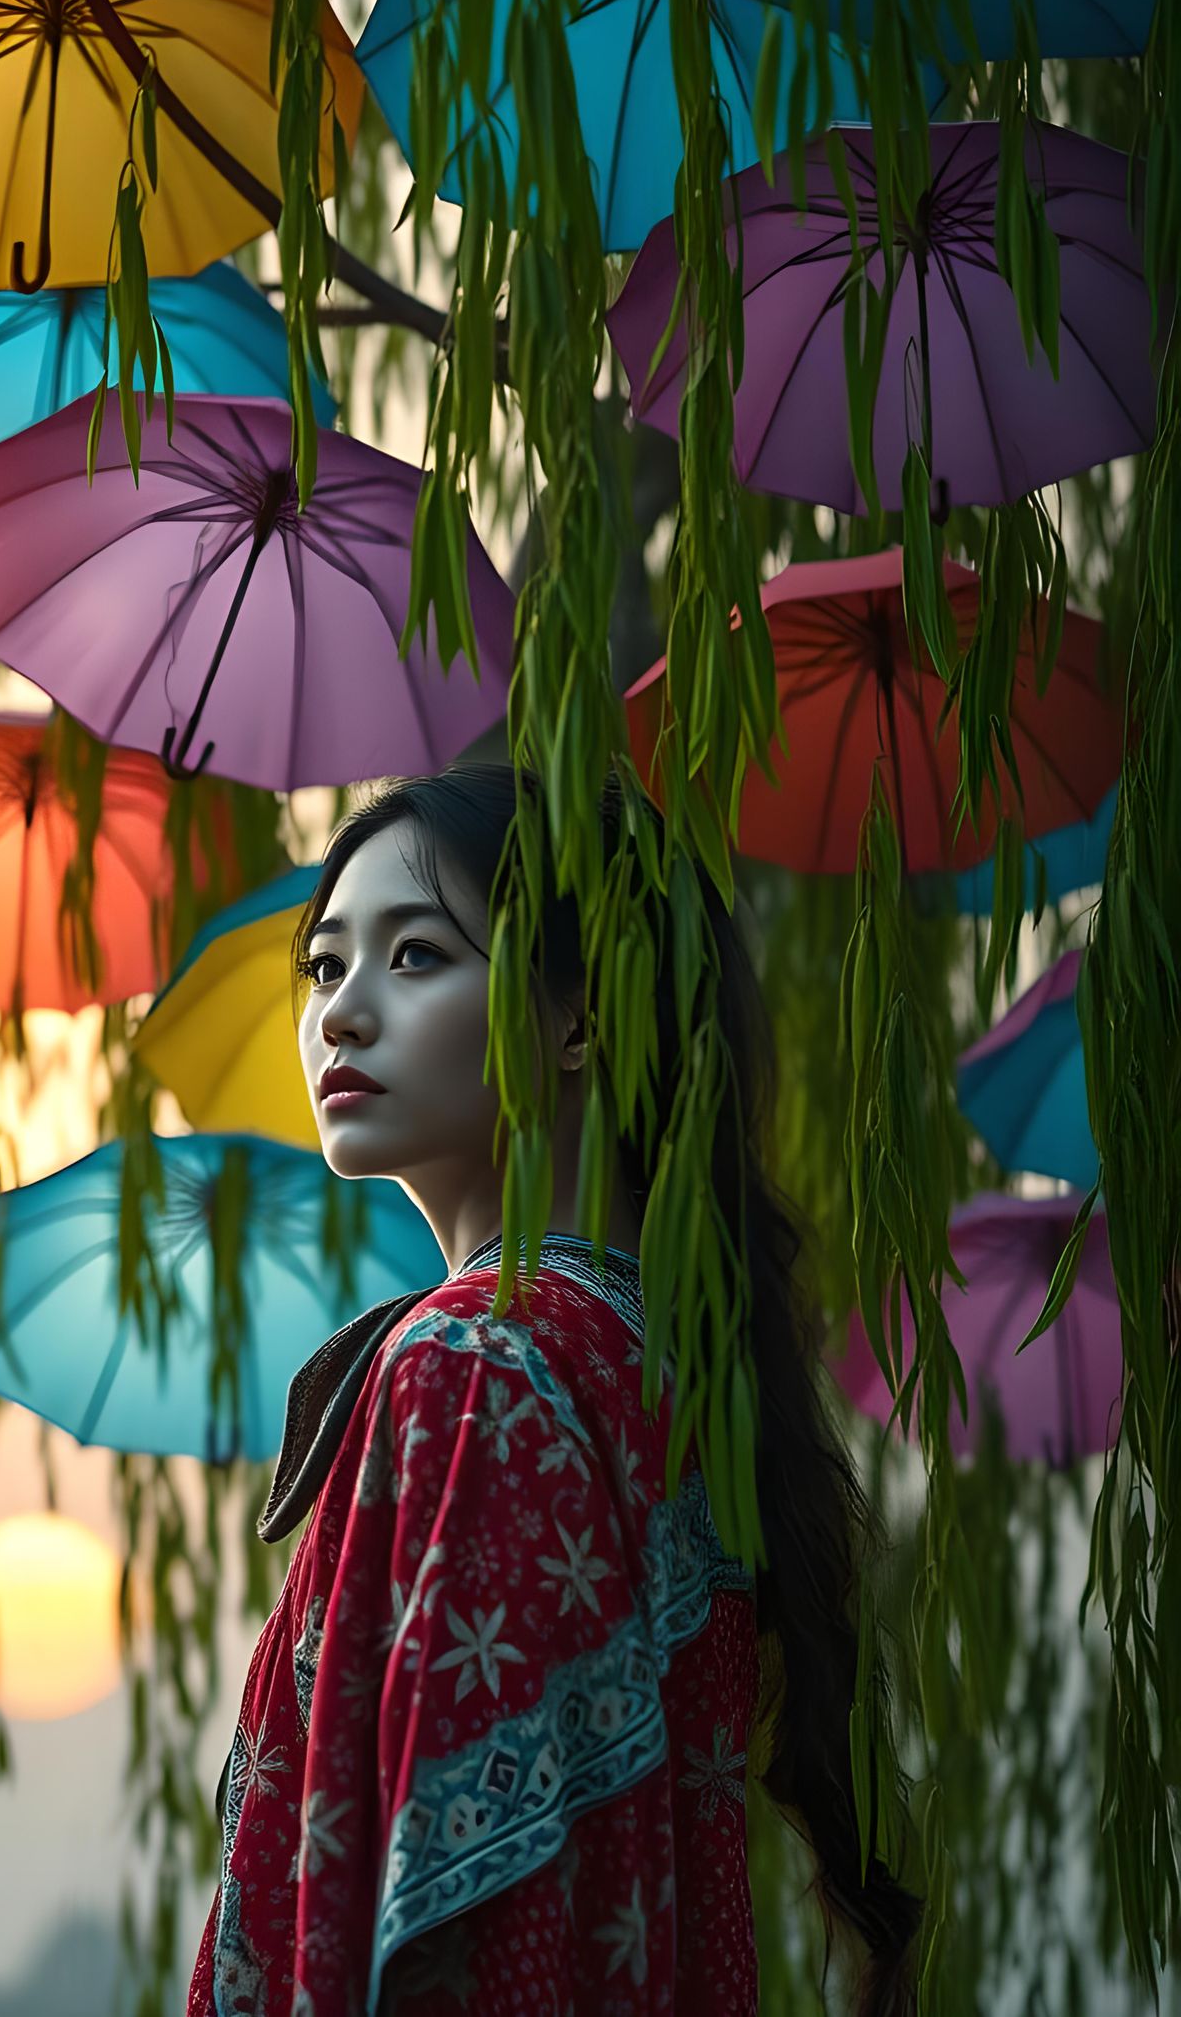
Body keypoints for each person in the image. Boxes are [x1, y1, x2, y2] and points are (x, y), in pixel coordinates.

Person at [188, 763, 922, 2016]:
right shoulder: (658, 1375)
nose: (341, 1015)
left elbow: (465, 1914)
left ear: (579, 1017)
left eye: (414, 957)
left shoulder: (474, 1371)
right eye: (325, 967)